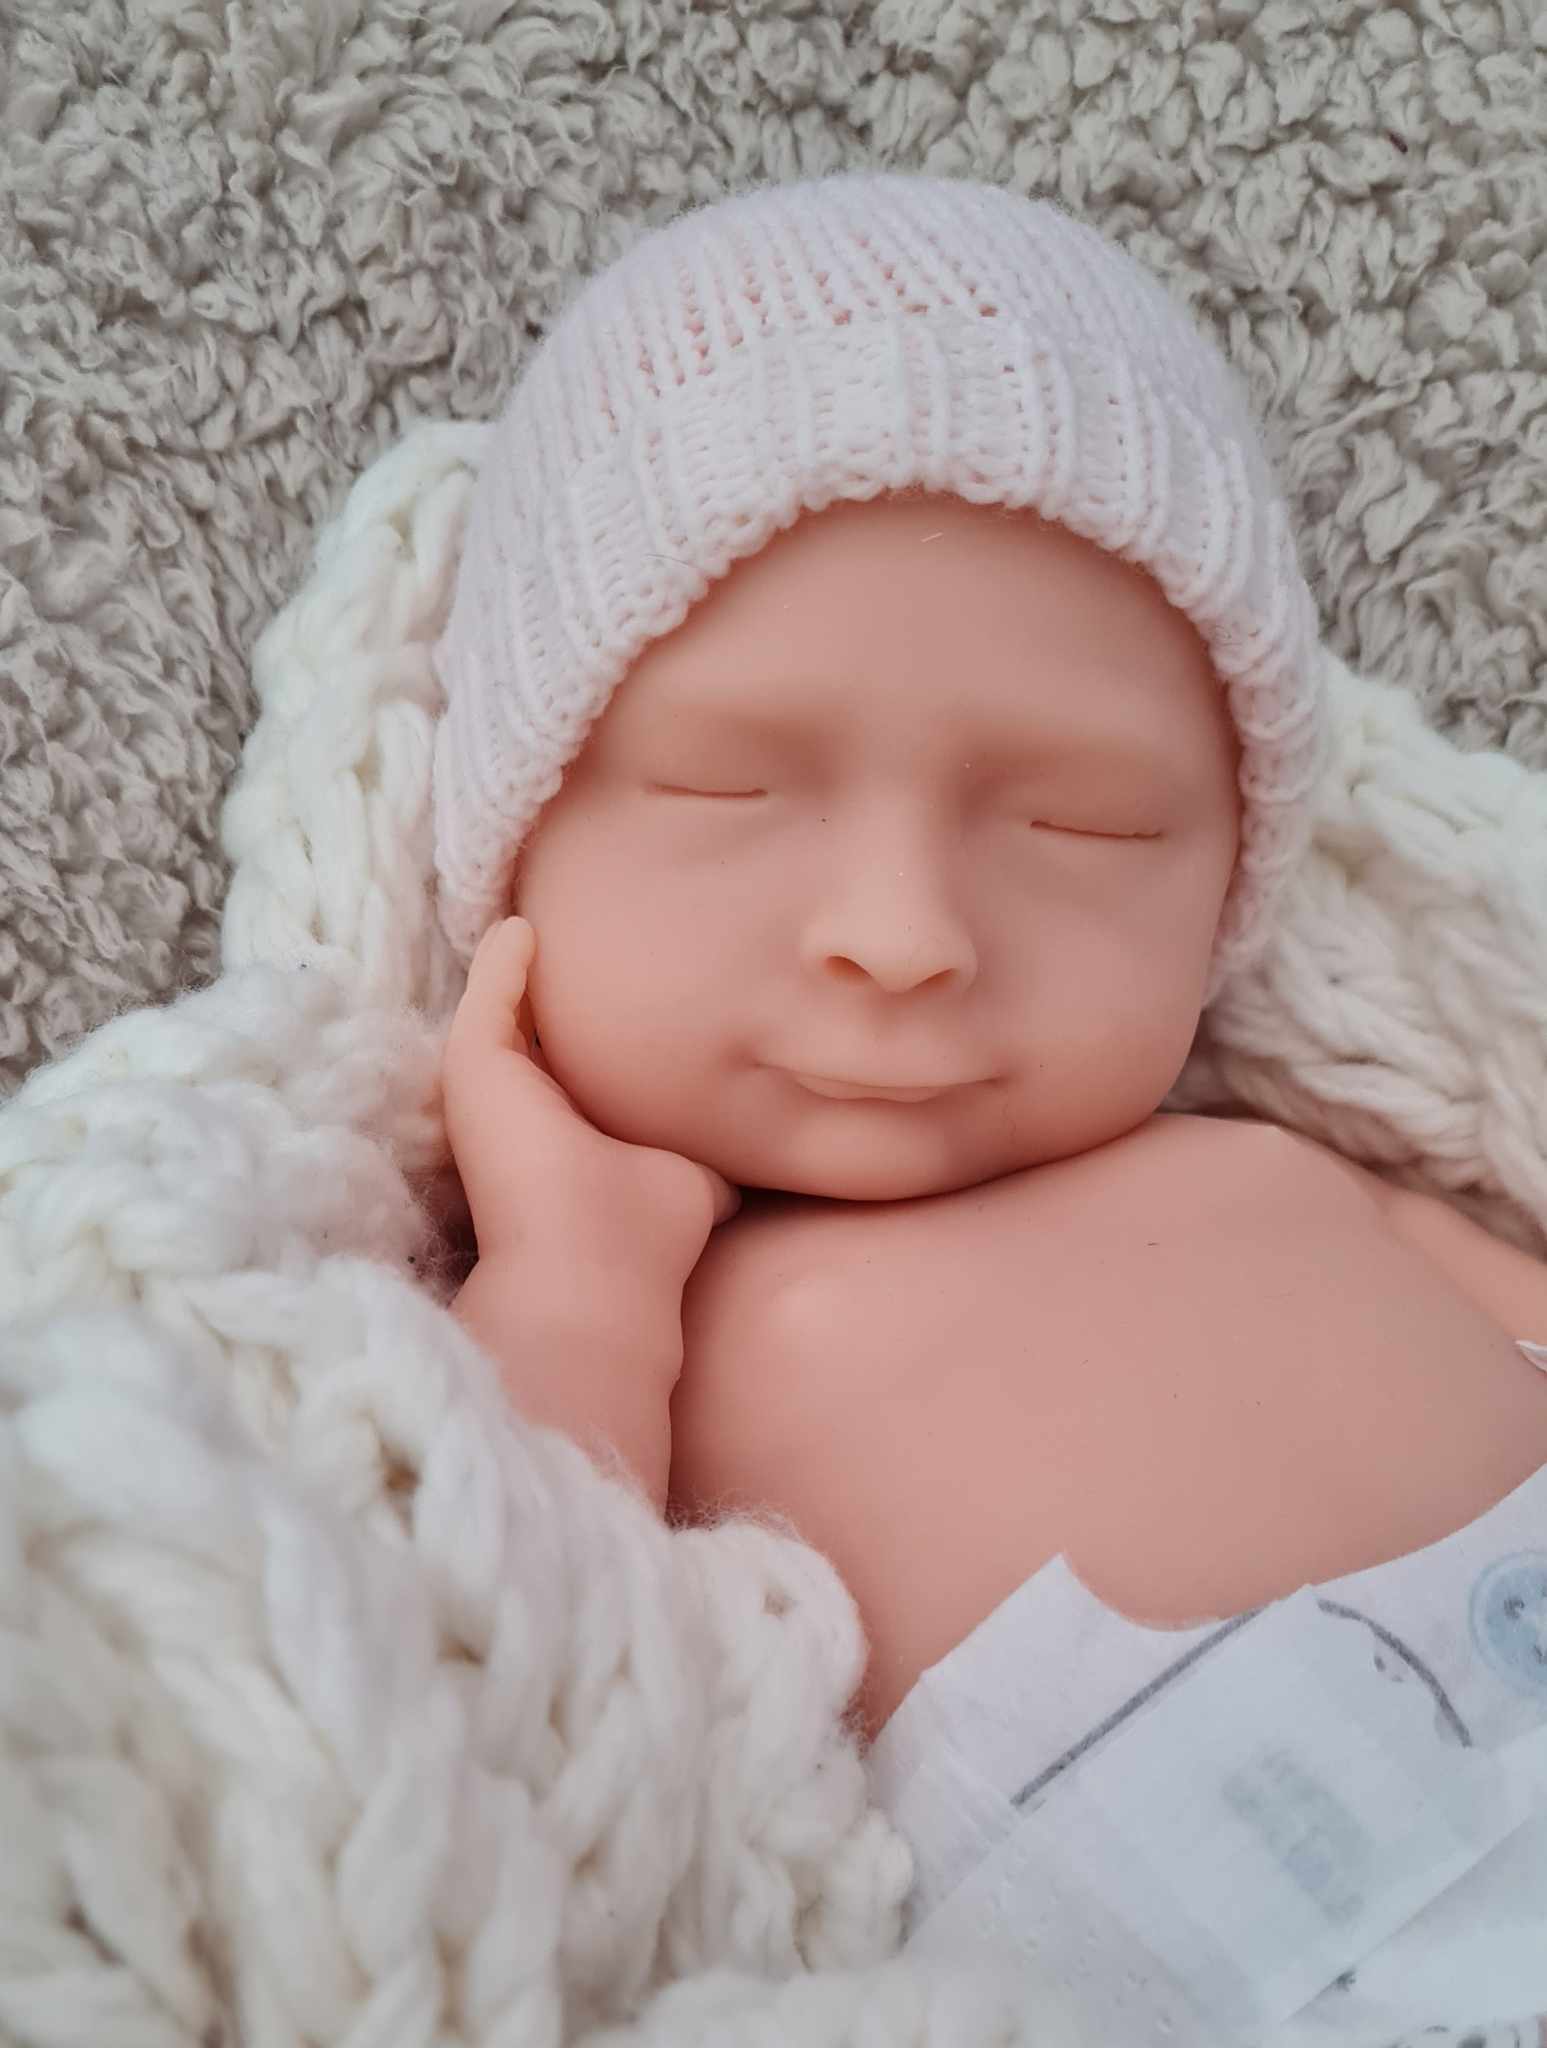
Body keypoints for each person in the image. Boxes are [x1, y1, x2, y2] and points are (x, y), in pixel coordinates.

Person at [433, 172, 1547, 2043]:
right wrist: (570, 1282)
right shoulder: (635, 1323)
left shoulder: (1289, 1166)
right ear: (515, 827)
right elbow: (503, 1665)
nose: (905, 934)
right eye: (726, 791)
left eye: (1080, 824)